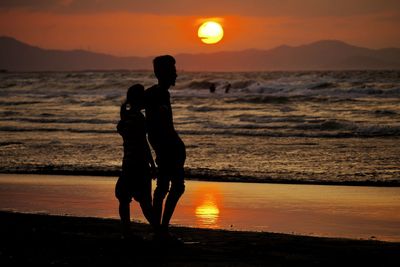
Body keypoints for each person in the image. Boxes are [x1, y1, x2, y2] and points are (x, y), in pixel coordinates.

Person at [145, 55, 186, 242]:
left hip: (166, 147)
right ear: (165, 73)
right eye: (173, 70)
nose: (176, 74)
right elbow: (159, 124)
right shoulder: (159, 94)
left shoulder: (155, 93)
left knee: (164, 187)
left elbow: (151, 126)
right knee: (173, 187)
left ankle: (159, 229)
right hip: (169, 147)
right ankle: (161, 229)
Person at [115, 84, 155, 240]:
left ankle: (126, 232)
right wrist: (152, 165)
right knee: (145, 202)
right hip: (139, 164)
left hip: (128, 162)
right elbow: (143, 143)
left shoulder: (125, 118)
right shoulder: (138, 118)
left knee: (124, 198)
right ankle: (158, 230)